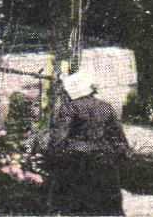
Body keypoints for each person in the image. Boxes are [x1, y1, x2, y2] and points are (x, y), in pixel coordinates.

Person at [44, 71, 129, 216]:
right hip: (105, 162)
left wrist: (52, 157)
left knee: (77, 206)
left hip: (78, 163)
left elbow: (59, 138)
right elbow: (118, 138)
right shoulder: (105, 107)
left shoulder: (70, 108)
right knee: (108, 207)